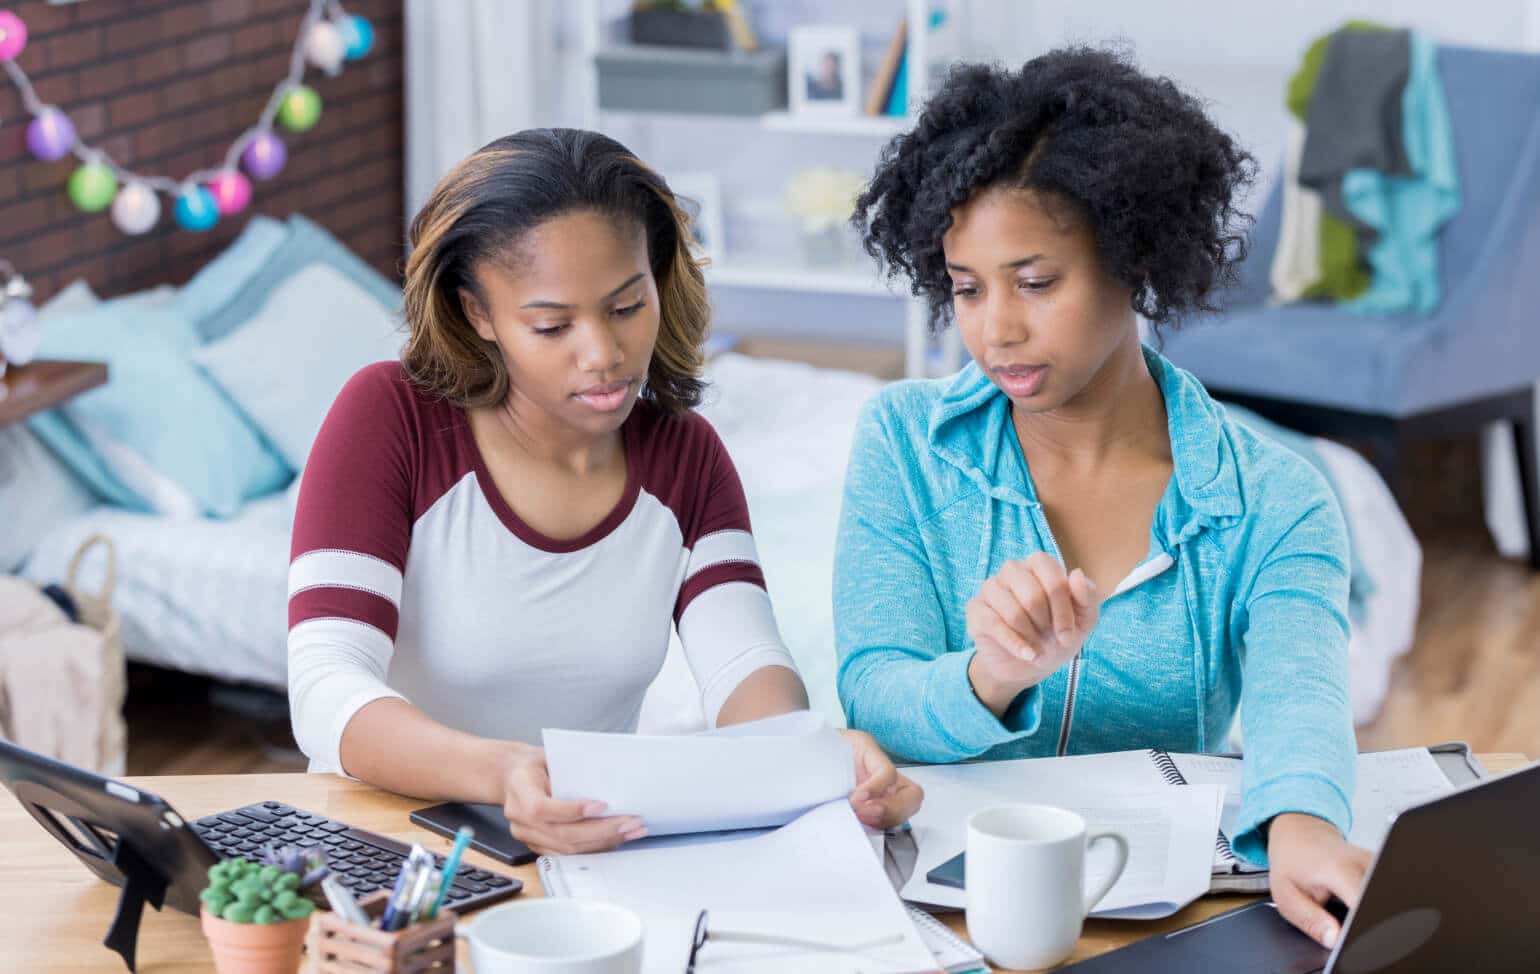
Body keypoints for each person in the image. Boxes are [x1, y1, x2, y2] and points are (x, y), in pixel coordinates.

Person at [837, 49, 1367, 948]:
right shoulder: (903, 441)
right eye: (967, 288)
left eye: (1036, 282)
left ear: (1133, 260)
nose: (995, 328)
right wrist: (995, 671)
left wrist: (1304, 822)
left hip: (1162, 923)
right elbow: (872, 689)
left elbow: (1298, 697)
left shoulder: (1274, 499)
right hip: (935, 917)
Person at [288, 128, 921, 856]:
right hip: (387, 844)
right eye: (553, 324)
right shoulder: (390, 418)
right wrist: (510, 772)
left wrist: (808, 757)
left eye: (626, 307)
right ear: (478, 314)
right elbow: (324, 688)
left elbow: (745, 663)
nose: (605, 355)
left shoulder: (684, 456)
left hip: (584, 852)